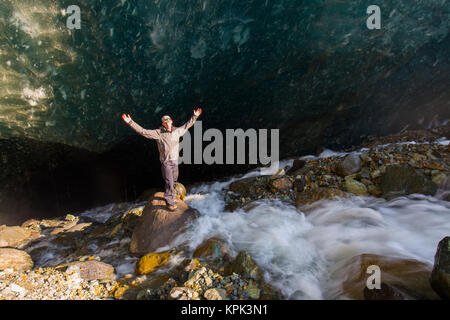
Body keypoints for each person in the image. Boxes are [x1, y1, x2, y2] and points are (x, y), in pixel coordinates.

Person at [122, 108, 202, 210]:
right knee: (169, 182)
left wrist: (195, 116)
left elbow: (187, 125)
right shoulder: (158, 133)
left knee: (174, 180)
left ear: (171, 121)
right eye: (165, 123)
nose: (167, 124)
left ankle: (174, 196)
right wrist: (130, 122)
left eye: (168, 122)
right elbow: (143, 131)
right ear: (163, 124)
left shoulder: (177, 131)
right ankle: (170, 203)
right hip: (166, 162)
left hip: (175, 161)